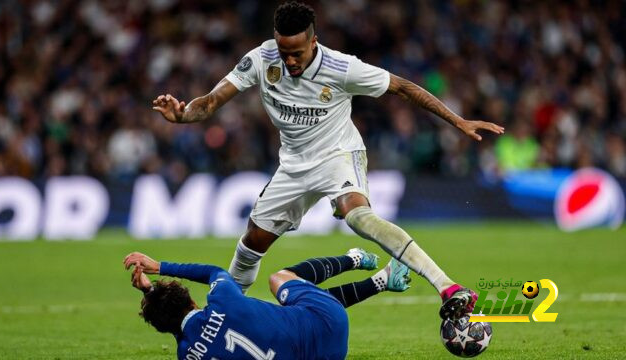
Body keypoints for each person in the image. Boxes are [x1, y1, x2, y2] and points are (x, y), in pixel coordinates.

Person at [152, 1, 504, 320]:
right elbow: (212, 101)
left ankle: (448, 286)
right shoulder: (262, 59)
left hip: (339, 154)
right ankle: (224, 316)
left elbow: (404, 87)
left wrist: (458, 121)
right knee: (252, 242)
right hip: (294, 164)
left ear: (313, 42)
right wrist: (183, 115)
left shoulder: (342, 68)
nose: (289, 61)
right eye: (283, 51)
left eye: (297, 53)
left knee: (358, 216)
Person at [123, 249, 411, 360]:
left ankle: (384, 279)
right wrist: (160, 267)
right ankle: (355, 260)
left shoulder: (187, 354)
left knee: (295, 312)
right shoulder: (223, 302)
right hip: (330, 322)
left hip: (329, 356)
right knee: (280, 279)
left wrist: (150, 294)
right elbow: (213, 270)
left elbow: (178, 328)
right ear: (190, 299)